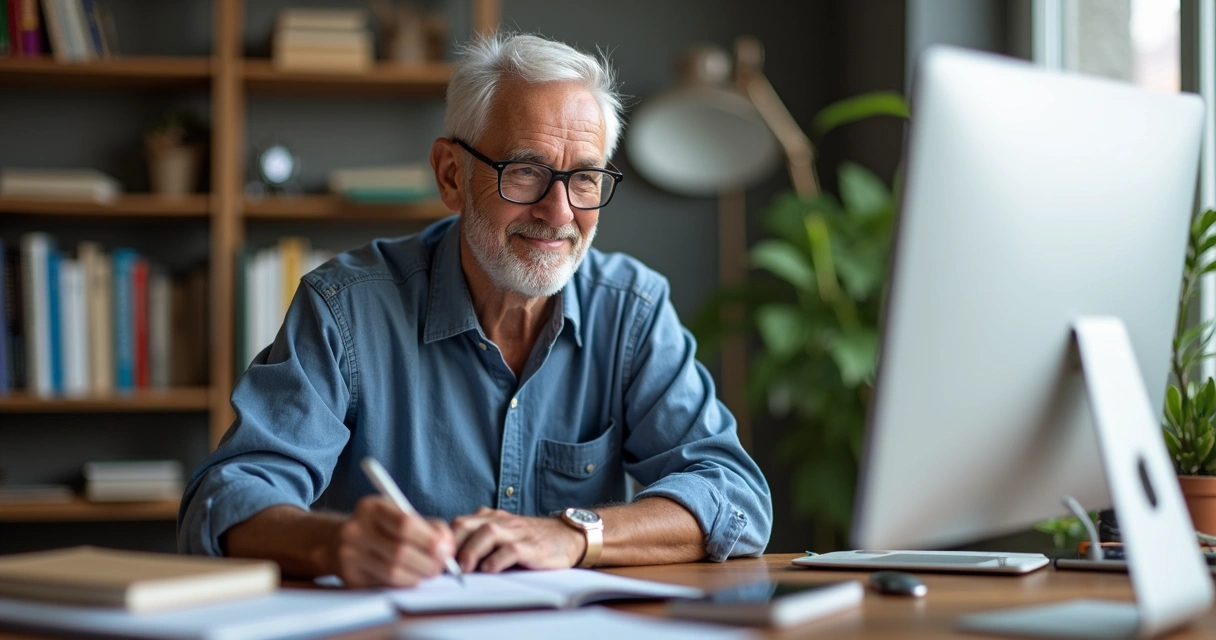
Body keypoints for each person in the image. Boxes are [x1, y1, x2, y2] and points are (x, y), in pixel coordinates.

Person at [178, 33, 771, 588]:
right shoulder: (346, 309)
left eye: (585, 178)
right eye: (526, 172)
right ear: (451, 175)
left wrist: (575, 534)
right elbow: (224, 498)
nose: (559, 213)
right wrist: (333, 543)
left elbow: (735, 496)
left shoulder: (631, 310)